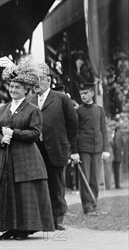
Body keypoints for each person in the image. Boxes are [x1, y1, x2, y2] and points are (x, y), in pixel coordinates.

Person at [0, 60, 54, 240]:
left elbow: (35, 133)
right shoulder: (1, 110)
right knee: (8, 192)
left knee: (24, 192)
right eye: (11, 86)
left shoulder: (32, 110)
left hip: (26, 158)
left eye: (17, 87)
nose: (13, 90)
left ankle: (24, 229)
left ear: (26, 90)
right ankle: (10, 227)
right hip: (5, 157)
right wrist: (1, 139)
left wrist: (14, 133)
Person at [28, 63, 78, 230]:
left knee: (56, 184)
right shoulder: (30, 101)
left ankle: (58, 218)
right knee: (39, 183)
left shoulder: (62, 98)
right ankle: (43, 218)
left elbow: (73, 125)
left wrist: (66, 144)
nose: (36, 83)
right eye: (34, 79)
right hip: (36, 149)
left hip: (56, 148)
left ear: (48, 80)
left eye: (40, 79)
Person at [70, 83, 111, 215]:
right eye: (81, 94)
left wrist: (106, 149)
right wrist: (75, 152)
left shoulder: (99, 109)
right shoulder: (78, 111)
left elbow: (103, 130)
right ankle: (87, 207)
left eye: (86, 93)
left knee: (94, 178)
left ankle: (94, 204)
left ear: (92, 93)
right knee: (85, 179)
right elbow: (74, 133)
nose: (83, 96)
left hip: (97, 148)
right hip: (84, 149)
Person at [111, 118, 126, 189]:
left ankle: (117, 184)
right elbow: (118, 145)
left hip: (116, 155)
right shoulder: (118, 135)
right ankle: (117, 185)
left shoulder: (116, 135)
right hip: (117, 156)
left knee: (116, 171)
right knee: (117, 171)